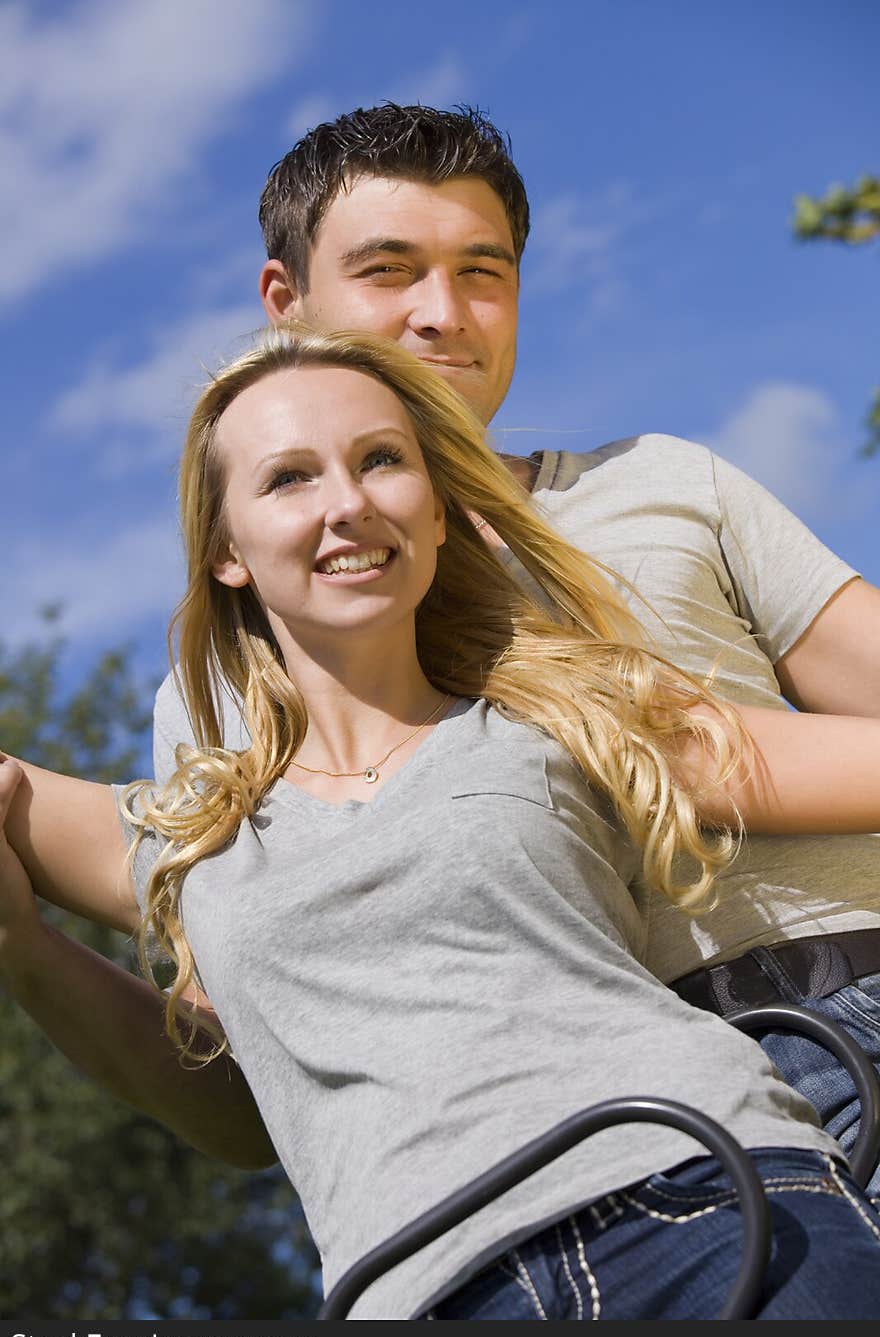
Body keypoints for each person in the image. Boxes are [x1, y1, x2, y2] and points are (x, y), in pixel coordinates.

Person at [3, 105, 879, 1190]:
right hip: (587, 1164)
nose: (442, 313)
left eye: (483, 271)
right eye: (388, 269)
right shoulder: (230, 685)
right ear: (286, 303)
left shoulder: (664, 482)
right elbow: (259, 1099)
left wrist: (692, 756)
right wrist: (30, 953)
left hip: (855, 995)